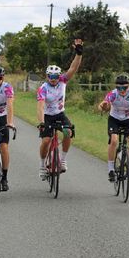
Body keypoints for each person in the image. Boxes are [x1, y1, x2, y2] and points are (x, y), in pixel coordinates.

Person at [37, 38, 83, 180]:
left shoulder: (63, 81)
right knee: (46, 141)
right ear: (47, 76)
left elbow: (73, 68)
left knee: (68, 132)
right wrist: (41, 122)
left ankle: (63, 160)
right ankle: (43, 166)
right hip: (47, 116)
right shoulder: (43, 89)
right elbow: (40, 106)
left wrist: (79, 53)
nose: (53, 79)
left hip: (60, 114)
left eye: (56, 76)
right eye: (50, 76)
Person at [97, 74, 129, 182]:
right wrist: (102, 107)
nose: (122, 90)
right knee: (114, 140)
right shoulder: (113, 94)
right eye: (119, 88)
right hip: (114, 119)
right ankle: (110, 169)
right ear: (116, 87)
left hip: (128, 120)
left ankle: (127, 162)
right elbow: (102, 105)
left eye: (124, 87)